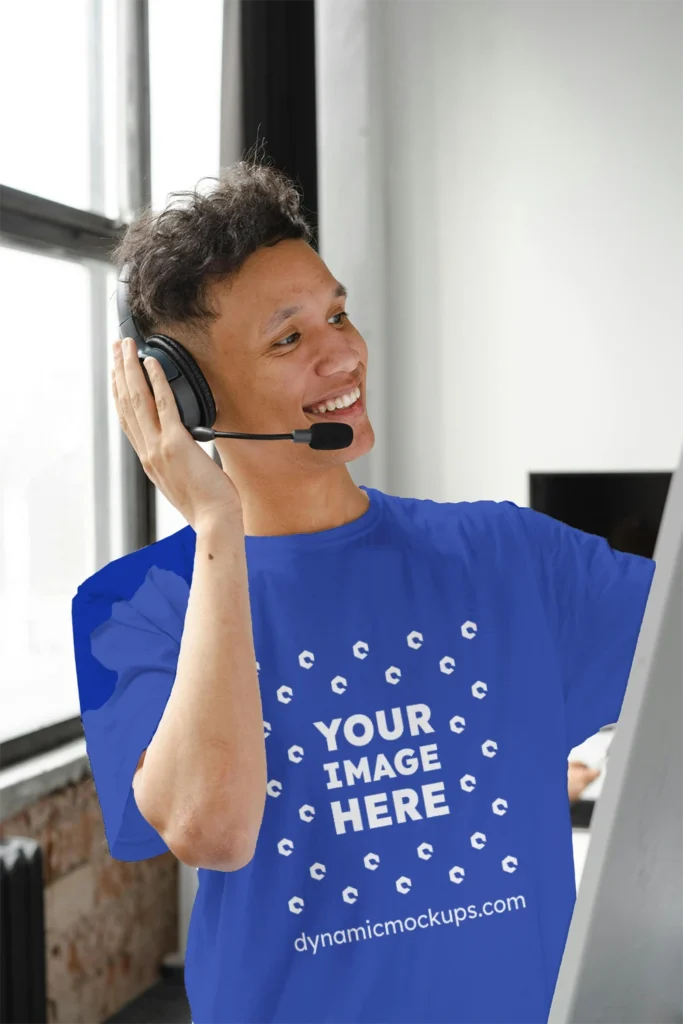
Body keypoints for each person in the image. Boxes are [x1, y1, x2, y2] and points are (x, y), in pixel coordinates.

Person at [71, 154, 656, 1024]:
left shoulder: (506, 555)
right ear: (189, 397)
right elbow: (213, 827)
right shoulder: (136, 607)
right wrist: (215, 527)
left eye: (337, 313)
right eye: (288, 337)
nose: (341, 350)